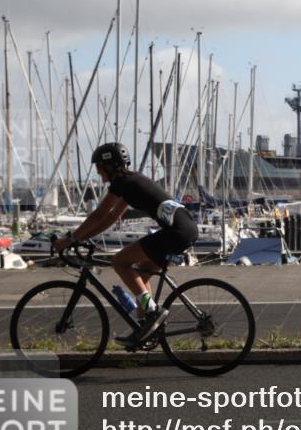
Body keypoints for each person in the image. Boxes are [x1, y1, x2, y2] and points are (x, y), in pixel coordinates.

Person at [53, 142, 199, 347]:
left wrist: (69, 239)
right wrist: (82, 238)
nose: (97, 171)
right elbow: (111, 218)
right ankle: (144, 328)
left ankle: (153, 312)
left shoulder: (121, 182)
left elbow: (98, 214)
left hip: (176, 232)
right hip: (184, 229)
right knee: (141, 272)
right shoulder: (131, 181)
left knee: (120, 261)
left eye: (98, 167)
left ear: (111, 166)